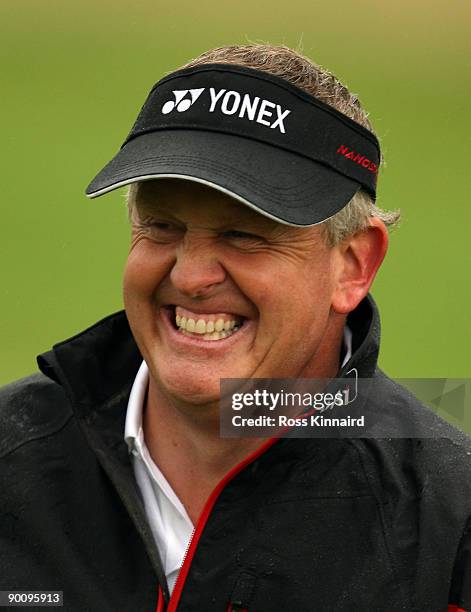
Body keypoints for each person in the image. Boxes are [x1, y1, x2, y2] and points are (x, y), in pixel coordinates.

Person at [1, 44, 470, 612]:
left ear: (353, 265)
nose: (191, 275)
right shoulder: (13, 455)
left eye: (244, 235)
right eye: (162, 226)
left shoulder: (449, 522)